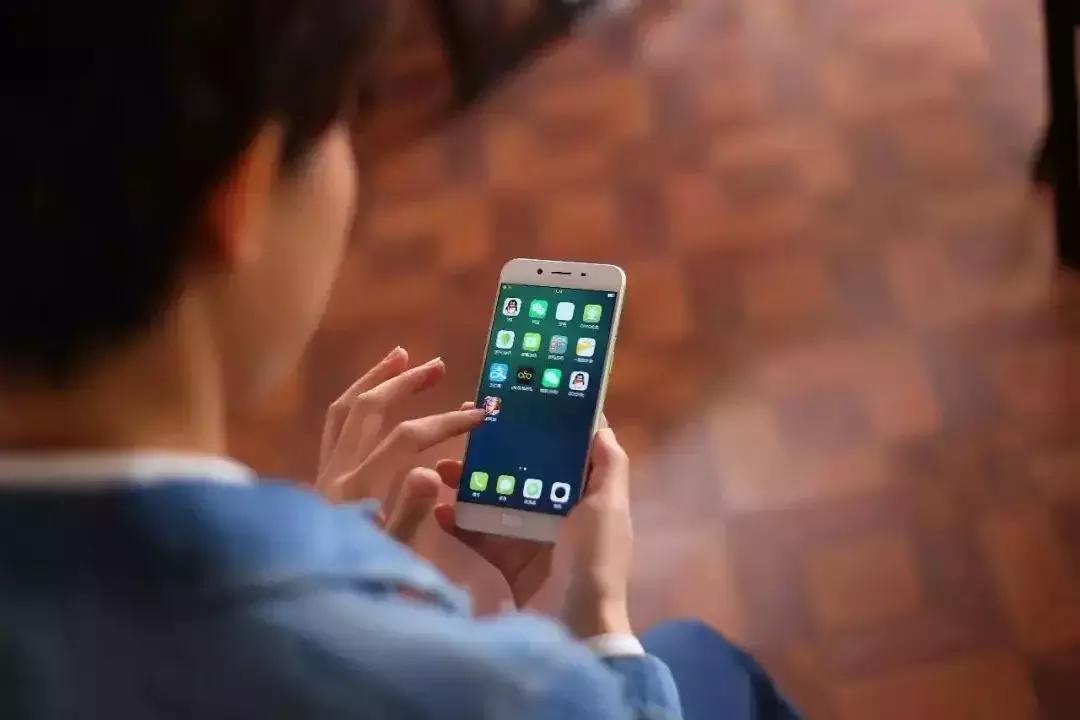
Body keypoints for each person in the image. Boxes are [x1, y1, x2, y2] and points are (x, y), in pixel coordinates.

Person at [0, 2, 799, 719]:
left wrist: (325, 556)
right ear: (240, 195)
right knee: (705, 660)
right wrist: (596, 627)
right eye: (351, 116)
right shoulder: (510, 691)